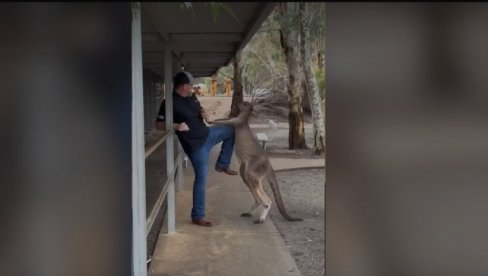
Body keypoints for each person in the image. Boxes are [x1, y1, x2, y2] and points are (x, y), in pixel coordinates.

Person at [155, 71, 238, 227]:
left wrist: (205, 113)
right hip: (196, 146)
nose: (193, 88)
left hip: (208, 134)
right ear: (184, 86)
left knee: (231, 131)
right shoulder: (169, 103)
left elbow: (200, 111)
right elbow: (158, 125)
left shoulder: (191, 97)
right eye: (191, 85)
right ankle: (198, 216)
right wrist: (176, 126)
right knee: (202, 177)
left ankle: (222, 164)